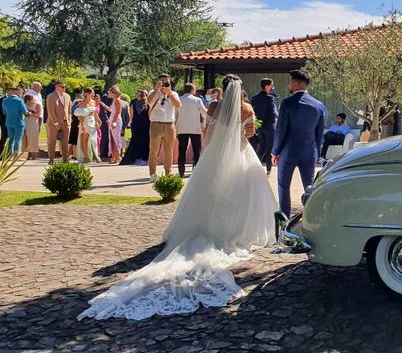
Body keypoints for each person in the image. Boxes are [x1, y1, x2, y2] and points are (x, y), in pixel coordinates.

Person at [79, 76, 277, 320]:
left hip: (214, 155)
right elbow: (249, 133)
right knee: (243, 194)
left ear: (223, 89)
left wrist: (212, 151)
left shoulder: (214, 105)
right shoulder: (246, 108)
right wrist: (237, 136)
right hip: (239, 153)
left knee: (208, 192)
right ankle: (236, 228)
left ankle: (205, 225)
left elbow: (208, 132)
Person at [272, 69, 326, 218]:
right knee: (309, 188)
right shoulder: (319, 106)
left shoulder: (287, 103)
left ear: (295, 84)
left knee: (283, 187)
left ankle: (285, 219)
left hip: (288, 153)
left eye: (290, 82)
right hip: (309, 152)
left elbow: (280, 130)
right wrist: (317, 153)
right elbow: (319, 134)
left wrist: (275, 151)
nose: (289, 84)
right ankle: (312, 216)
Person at [147, 74, 182, 181]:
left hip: (169, 125)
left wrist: (169, 94)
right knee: (153, 151)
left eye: (167, 82)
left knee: (169, 152)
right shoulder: (153, 92)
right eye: (162, 81)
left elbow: (178, 105)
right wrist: (158, 89)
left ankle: (168, 173)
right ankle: (152, 174)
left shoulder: (173, 93)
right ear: (158, 82)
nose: (165, 84)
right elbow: (149, 101)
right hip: (156, 124)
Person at [174, 83, 207, 177]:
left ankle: (181, 171)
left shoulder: (178, 99)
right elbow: (204, 113)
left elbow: (175, 115)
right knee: (197, 150)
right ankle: (196, 172)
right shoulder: (197, 100)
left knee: (182, 150)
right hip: (195, 128)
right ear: (192, 90)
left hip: (181, 128)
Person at [250, 79, 278, 173]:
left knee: (262, 147)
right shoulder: (269, 98)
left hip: (259, 126)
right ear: (267, 86)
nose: (272, 88)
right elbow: (272, 113)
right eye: (271, 86)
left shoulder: (254, 98)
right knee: (270, 147)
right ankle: (269, 170)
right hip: (269, 126)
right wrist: (274, 120)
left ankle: (255, 167)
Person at [120, 90, 151, 165]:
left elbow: (131, 116)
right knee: (145, 141)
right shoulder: (148, 105)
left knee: (135, 141)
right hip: (145, 125)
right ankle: (144, 158)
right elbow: (150, 116)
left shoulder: (133, 104)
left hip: (136, 124)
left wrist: (130, 124)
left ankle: (134, 158)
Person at [45, 81, 71, 164]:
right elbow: (50, 111)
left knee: (65, 142)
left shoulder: (67, 96)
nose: (64, 88)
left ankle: (65, 159)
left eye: (64, 86)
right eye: (62, 86)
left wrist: (69, 120)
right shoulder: (51, 96)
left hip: (65, 122)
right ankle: (51, 159)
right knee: (52, 142)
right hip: (53, 123)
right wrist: (56, 123)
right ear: (56, 87)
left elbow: (69, 110)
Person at [75, 88, 101, 164]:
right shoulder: (82, 103)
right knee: (85, 140)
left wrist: (98, 120)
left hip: (92, 122)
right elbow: (80, 116)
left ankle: (94, 155)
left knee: (93, 140)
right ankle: (86, 157)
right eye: (92, 93)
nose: (93, 94)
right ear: (87, 94)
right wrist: (82, 125)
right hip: (85, 122)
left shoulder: (93, 102)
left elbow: (95, 112)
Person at [2, 87, 28, 156]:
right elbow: (25, 112)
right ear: (17, 92)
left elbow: (4, 112)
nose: (21, 94)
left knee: (11, 139)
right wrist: (29, 113)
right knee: (17, 139)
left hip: (9, 122)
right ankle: (15, 156)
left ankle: (8, 154)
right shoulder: (19, 100)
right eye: (20, 92)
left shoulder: (4, 100)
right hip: (18, 122)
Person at [104, 86, 125, 164]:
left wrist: (114, 122)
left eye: (109, 92)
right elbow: (110, 109)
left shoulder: (117, 101)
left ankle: (118, 157)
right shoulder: (114, 100)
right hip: (112, 120)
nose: (108, 94)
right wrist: (101, 103)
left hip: (116, 121)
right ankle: (114, 157)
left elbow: (117, 112)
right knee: (112, 139)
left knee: (116, 139)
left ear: (113, 93)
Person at [22, 88, 42, 159]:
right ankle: (28, 154)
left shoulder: (37, 105)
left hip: (34, 123)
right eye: (27, 101)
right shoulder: (25, 105)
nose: (28, 102)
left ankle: (34, 154)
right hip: (26, 123)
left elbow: (38, 115)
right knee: (26, 139)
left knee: (33, 139)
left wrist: (30, 113)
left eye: (29, 100)